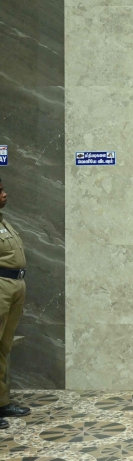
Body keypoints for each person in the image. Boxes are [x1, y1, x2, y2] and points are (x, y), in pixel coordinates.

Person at [0, 177, 30, 430]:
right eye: (0, 191)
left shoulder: (3, 222)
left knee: (3, 347)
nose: (5, 194)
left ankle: (2, 402)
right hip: (1, 286)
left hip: (14, 286)